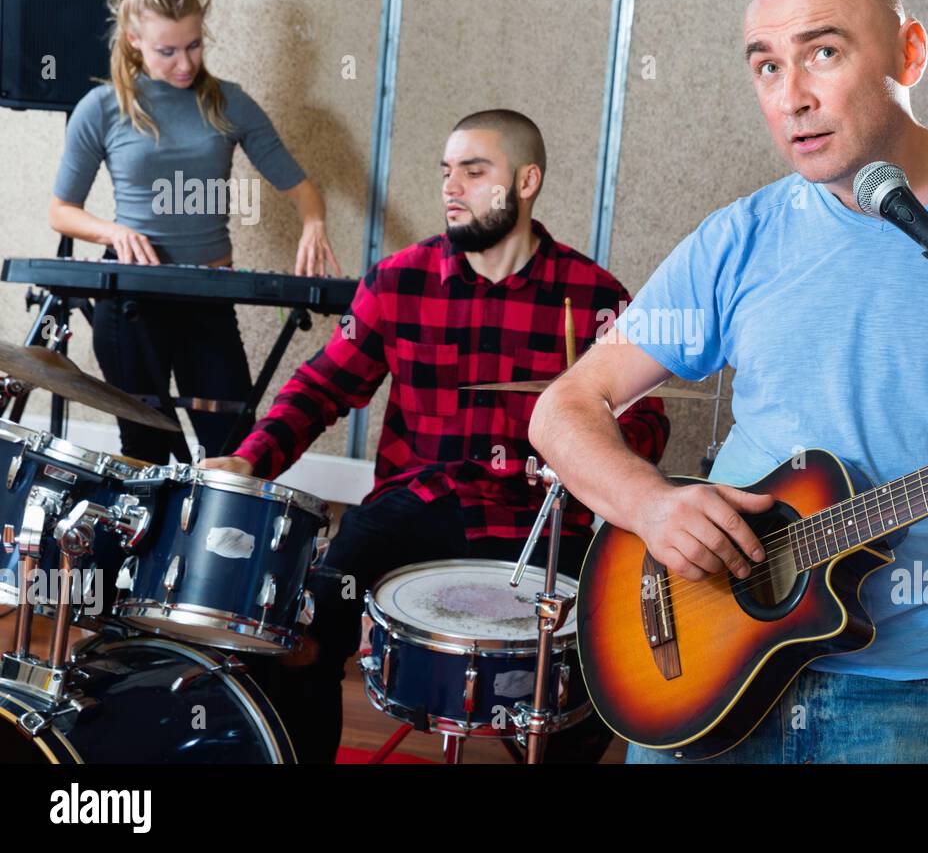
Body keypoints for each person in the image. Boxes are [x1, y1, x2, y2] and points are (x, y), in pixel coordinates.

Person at [529, 0, 928, 764]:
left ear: (909, 54)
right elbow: (563, 408)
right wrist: (651, 508)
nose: (792, 97)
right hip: (703, 663)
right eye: (767, 67)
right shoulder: (741, 237)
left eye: (823, 53)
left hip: (912, 694)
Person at [202, 109, 669, 763]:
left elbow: (646, 416)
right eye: (447, 172)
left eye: (474, 172)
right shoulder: (399, 281)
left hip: (540, 515)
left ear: (527, 180)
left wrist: (600, 458)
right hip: (416, 503)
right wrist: (253, 460)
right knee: (305, 613)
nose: (452, 187)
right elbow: (322, 387)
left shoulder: (591, 297)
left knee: (582, 665)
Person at [48, 0, 340, 462]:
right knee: (147, 447)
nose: (185, 63)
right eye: (168, 51)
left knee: (233, 445)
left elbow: (302, 189)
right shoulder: (102, 107)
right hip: (133, 303)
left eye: (194, 45)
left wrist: (313, 222)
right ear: (135, 40)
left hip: (208, 298)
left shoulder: (230, 103)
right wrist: (114, 232)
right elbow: (62, 211)